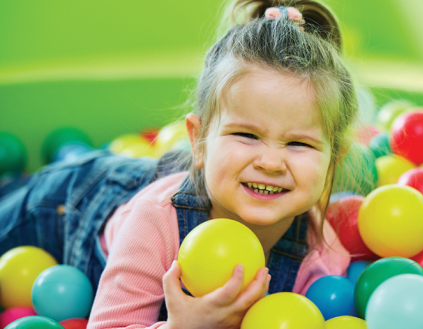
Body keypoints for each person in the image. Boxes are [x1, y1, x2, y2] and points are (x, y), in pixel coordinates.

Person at [0, 0, 362, 327]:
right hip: (72, 202)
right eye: (247, 136)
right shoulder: (156, 222)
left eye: (298, 143)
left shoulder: (319, 254)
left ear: (334, 161)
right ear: (198, 142)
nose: (269, 162)